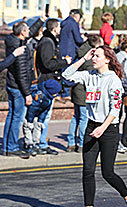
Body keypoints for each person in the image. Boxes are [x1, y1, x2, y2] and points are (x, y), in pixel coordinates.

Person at [62, 46, 127, 207]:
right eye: (93, 55)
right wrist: (83, 58)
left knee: (108, 173)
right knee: (87, 170)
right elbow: (66, 75)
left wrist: (103, 127)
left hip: (109, 129)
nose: (94, 58)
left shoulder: (113, 80)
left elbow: (116, 107)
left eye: (97, 56)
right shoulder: (89, 75)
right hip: (92, 125)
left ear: (107, 59)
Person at [3, 15, 46, 158]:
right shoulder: (20, 48)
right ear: (22, 33)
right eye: (27, 30)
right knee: (18, 118)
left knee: (11, 116)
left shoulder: (13, 39)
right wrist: (27, 93)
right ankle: (12, 147)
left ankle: (6, 146)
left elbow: (31, 31)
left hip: (11, 84)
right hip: (18, 87)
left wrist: (41, 19)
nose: (29, 31)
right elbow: (22, 73)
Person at [35, 18, 72, 156]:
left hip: (49, 83)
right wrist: (64, 62)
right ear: (55, 28)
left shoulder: (49, 41)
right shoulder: (47, 42)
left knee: (45, 115)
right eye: (59, 28)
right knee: (43, 115)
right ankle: (40, 143)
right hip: (46, 83)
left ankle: (41, 142)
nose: (61, 30)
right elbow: (47, 64)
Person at [67, 34, 104, 153]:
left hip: (76, 90)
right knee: (83, 118)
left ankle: (71, 142)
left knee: (76, 117)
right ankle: (82, 143)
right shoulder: (90, 58)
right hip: (83, 91)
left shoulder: (81, 51)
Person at [23, 80, 62, 155]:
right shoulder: (39, 95)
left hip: (38, 114)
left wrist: (40, 121)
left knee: (38, 127)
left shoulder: (49, 98)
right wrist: (29, 121)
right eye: (55, 93)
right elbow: (32, 109)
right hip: (29, 115)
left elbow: (45, 110)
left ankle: (36, 143)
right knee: (28, 127)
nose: (56, 95)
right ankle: (29, 144)